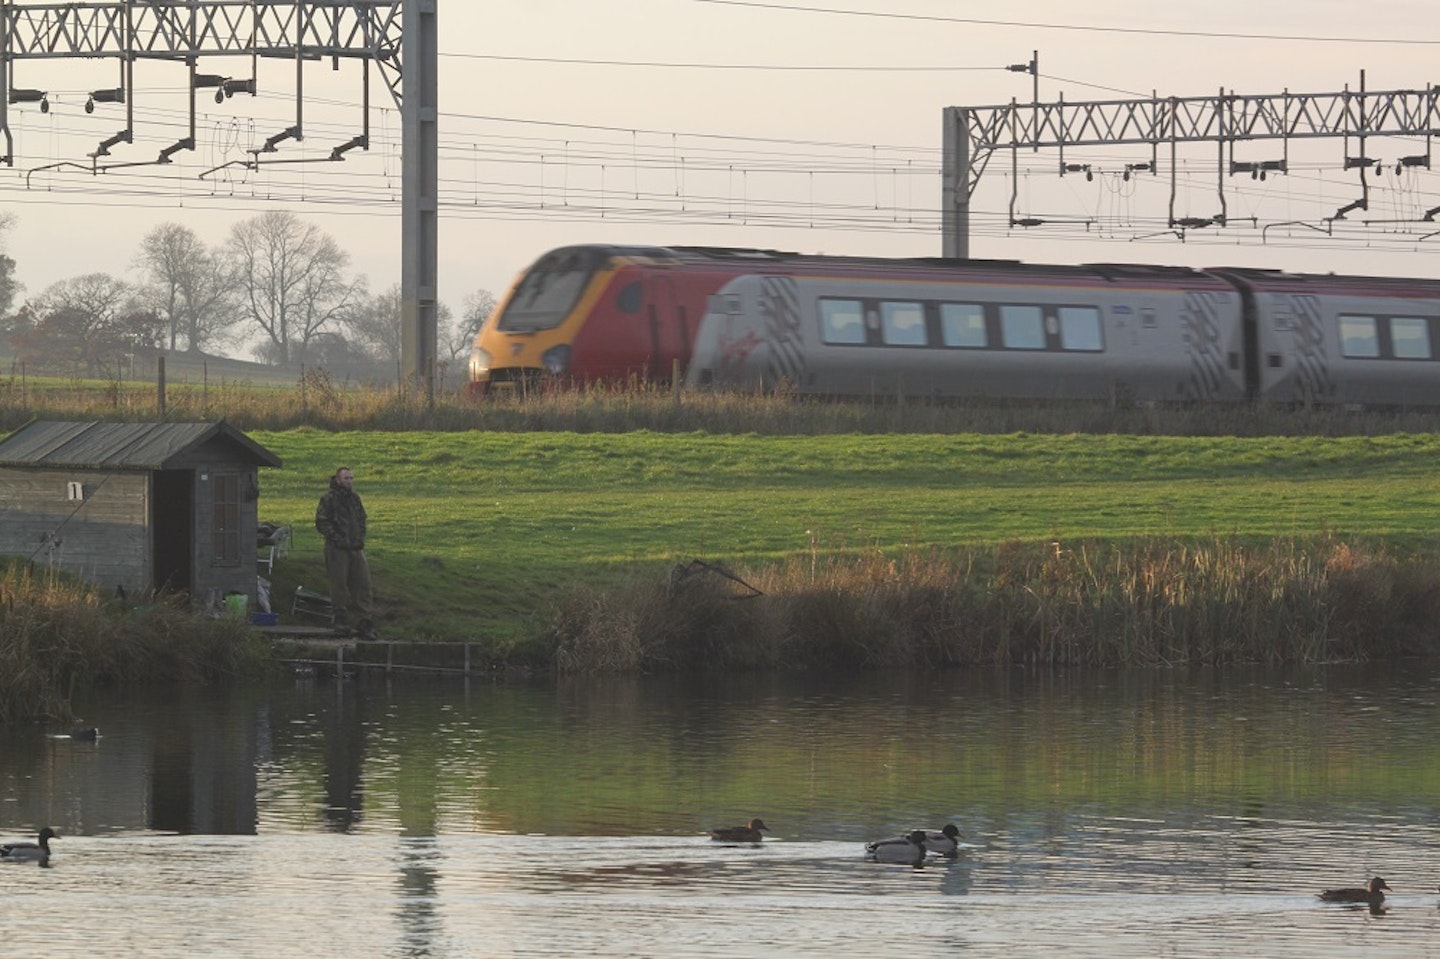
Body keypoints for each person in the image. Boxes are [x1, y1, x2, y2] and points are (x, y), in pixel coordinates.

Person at [314, 466, 375, 639]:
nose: (350, 481)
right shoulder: (328, 499)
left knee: (363, 585)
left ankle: (365, 623)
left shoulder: (355, 499)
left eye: (351, 478)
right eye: (346, 478)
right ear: (338, 479)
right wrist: (338, 539)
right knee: (339, 586)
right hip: (337, 549)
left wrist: (360, 538)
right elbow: (321, 522)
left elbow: (362, 519)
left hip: (356, 548)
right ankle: (340, 621)